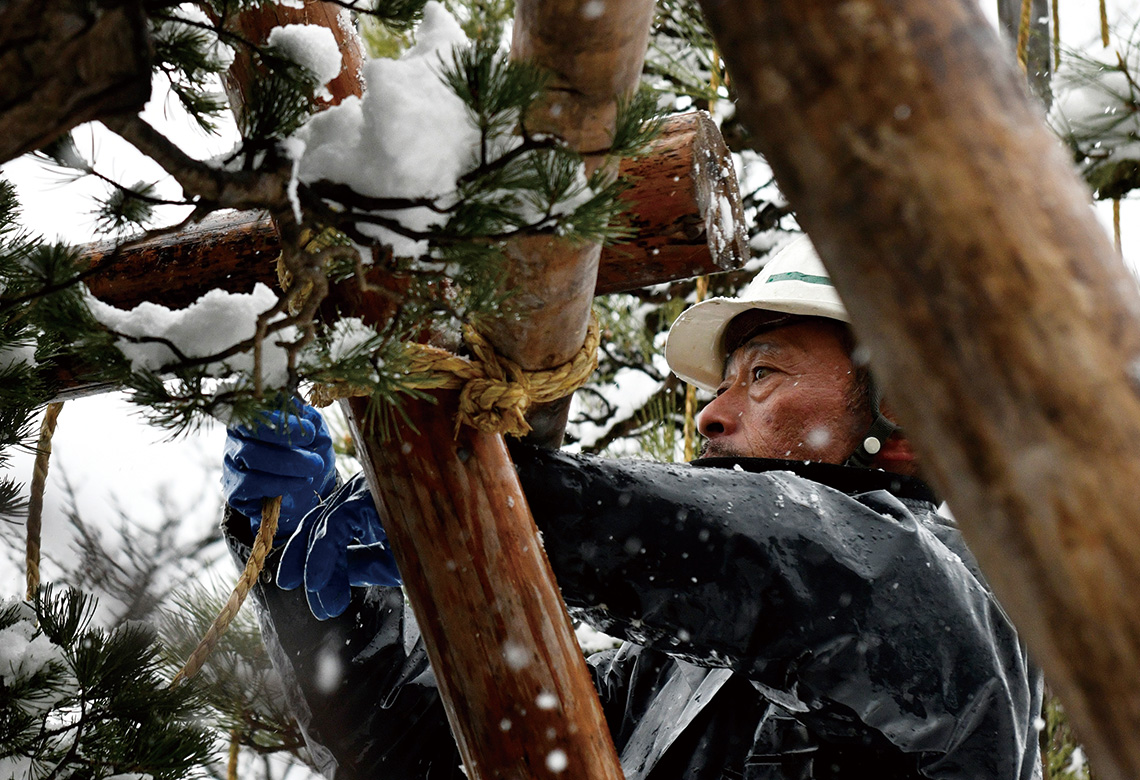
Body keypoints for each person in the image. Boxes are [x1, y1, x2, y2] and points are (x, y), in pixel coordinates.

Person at [221, 236, 1043, 780]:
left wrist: (524, 508)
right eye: (722, 385)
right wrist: (304, 578)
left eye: (763, 374)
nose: (711, 414)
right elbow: (435, 752)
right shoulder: (674, 677)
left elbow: (821, 563)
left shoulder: (957, 595)